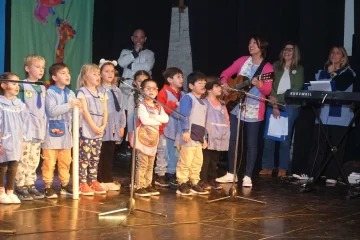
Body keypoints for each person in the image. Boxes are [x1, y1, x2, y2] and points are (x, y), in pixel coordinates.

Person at [216, 35, 274, 187]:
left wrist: (260, 84)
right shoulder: (242, 61)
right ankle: (231, 173)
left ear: (262, 47)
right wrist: (225, 85)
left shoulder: (267, 68)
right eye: (250, 42)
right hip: (236, 105)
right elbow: (225, 73)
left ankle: (248, 176)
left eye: (254, 42)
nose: (251, 45)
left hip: (255, 108)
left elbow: (267, 90)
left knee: (251, 143)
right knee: (233, 139)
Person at [306, 46, 356, 184]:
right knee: (317, 146)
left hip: (340, 117)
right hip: (322, 115)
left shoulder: (349, 73)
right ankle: (312, 174)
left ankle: (332, 176)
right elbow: (315, 89)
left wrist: (333, 73)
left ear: (343, 57)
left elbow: (338, 86)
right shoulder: (322, 72)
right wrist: (328, 73)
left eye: (337, 53)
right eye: (332, 52)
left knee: (336, 148)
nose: (334, 55)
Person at [260, 42, 304, 177]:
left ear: (295, 52)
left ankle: (283, 167)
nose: (287, 51)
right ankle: (267, 166)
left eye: (290, 49)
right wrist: (274, 104)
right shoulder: (275, 66)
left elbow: (296, 89)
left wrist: (277, 99)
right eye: (285, 49)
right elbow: (270, 85)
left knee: (285, 137)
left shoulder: (299, 68)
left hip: (290, 105)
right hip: (272, 103)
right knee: (270, 137)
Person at [41, 63, 80, 199]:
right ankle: (47, 185)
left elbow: (74, 113)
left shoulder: (71, 93)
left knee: (65, 161)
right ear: (54, 77)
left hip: (66, 134)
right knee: (49, 161)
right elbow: (52, 111)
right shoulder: (50, 92)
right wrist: (69, 105)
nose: (67, 75)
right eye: (63, 73)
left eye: (68, 72)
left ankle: (65, 184)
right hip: (51, 134)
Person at [15, 54, 46, 200]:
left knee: (34, 159)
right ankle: (20, 185)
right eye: (37, 67)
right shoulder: (22, 85)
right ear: (27, 68)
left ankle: (30, 183)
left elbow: (43, 110)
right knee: (24, 158)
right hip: (26, 128)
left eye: (43, 67)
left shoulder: (42, 87)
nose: (41, 70)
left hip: (38, 128)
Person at [132, 79, 168, 197]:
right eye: (148, 88)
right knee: (142, 164)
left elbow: (166, 119)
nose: (151, 91)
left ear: (157, 91)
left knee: (150, 164)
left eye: (154, 88)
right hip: (142, 139)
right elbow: (145, 120)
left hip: (153, 140)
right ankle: (139, 186)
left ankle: (147, 184)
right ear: (142, 90)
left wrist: (153, 116)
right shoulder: (141, 105)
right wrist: (157, 120)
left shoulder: (158, 106)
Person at [76, 64, 108, 195]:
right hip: (87, 129)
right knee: (84, 157)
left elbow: (105, 110)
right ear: (85, 77)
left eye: (98, 74)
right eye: (94, 74)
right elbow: (85, 112)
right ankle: (82, 182)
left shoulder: (102, 92)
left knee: (95, 157)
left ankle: (93, 180)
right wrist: (94, 127)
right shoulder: (82, 92)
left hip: (98, 130)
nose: (97, 76)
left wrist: (103, 125)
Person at [176, 72, 208, 195]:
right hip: (188, 135)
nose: (203, 85)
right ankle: (182, 183)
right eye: (199, 83)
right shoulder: (188, 98)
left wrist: (204, 138)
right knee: (185, 160)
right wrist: (185, 131)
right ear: (191, 85)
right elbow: (184, 115)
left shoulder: (203, 102)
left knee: (197, 161)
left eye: (204, 83)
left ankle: (194, 182)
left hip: (198, 136)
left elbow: (202, 122)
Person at [0, 72, 30, 204]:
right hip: (4, 140)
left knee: (13, 166)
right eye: (13, 84)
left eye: (18, 84)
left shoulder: (20, 104)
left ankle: (10, 192)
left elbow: (25, 121)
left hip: (16, 140)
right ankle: (1, 192)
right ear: (4, 85)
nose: (17, 87)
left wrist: (24, 137)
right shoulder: (1, 104)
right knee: (3, 166)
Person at [98, 59, 126, 191]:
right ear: (100, 73)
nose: (110, 74)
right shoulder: (97, 89)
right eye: (106, 71)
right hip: (102, 125)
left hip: (113, 127)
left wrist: (122, 126)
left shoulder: (117, 91)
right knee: (100, 153)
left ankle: (107, 178)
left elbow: (120, 110)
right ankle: (98, 179)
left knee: (110, 152)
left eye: (112, 72)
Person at [154, 67, 184, 187]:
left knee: (175, 152)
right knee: (164, 152)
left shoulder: (182, 94)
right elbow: (161, 107)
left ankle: (171, 174)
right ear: (169, 79)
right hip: (165, 128)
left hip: (177, 129)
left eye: (182, 77)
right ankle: (160, 175)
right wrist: (175, 104)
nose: (181, 79)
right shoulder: (163, 92)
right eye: (178, 77)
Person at [199, 76, 230, 190]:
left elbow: (226, 119)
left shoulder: (222, 104)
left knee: (214, 160)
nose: (220, 88)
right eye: (217, 86)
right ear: (209, 89)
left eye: (220, 86)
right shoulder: (204, 102)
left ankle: (212, 179)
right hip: (208, 135)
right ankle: (203, 180)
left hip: (219, 136)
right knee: (205, 159)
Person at [118, 29, 155, 112]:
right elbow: (121, 63)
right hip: (127, 87)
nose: (138, 40)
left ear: (145, 39)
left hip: (142, 87)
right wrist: (135, 52)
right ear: (132, 38)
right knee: (126, 111)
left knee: (142, 112)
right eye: (136, 37)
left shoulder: (150, 53)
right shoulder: (125, 51)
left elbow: (147, 67)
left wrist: (130, 65)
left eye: (141, 37)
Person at [127, 70, 151, 143]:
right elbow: (130, 114)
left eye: (145, 81)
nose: (142, 83)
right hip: (136, 126)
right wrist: (130, 131)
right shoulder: (133, 96)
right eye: (140, 81)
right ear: (134, 82)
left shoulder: (152, 95)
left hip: (149, 128)